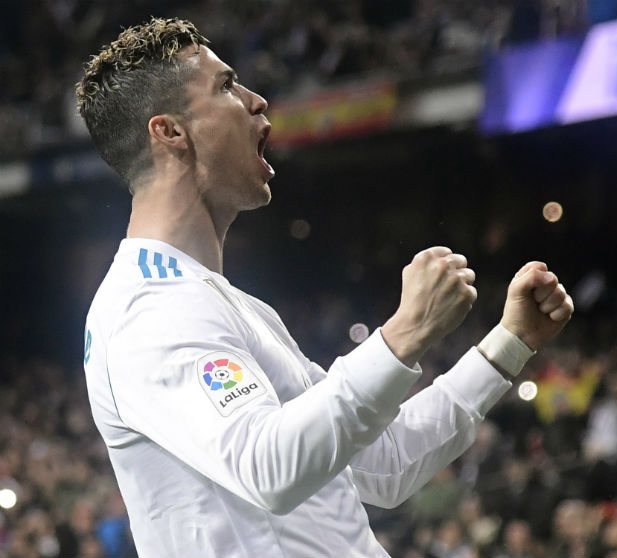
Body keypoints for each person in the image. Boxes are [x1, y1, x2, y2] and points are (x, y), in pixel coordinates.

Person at [76, 17, 573, 558]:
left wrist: (509, 342)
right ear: (170, 132)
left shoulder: (233, 306)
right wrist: (403, 334)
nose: (257, 100)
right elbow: (270, 469)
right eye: (226, 87)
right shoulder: (148, 307)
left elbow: (384, 464)